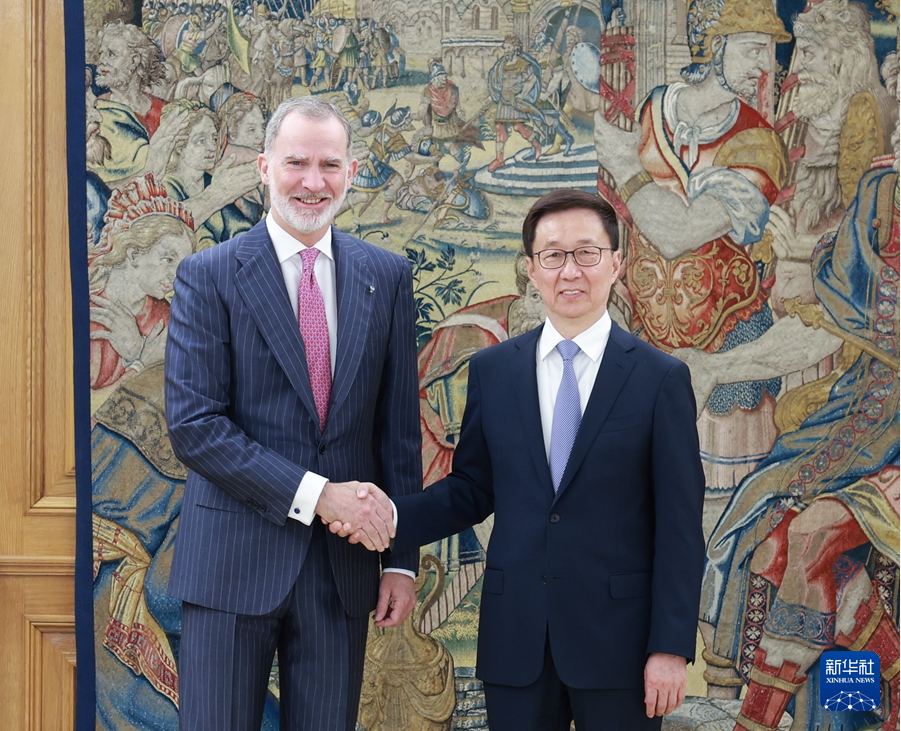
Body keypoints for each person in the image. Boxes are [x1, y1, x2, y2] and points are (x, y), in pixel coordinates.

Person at [334, 189, 706, 731]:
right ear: (532, 269)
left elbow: (680, 528)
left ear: (616, 263)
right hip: (517, 639)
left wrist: (670, 647)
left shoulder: (660, 378)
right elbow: (472, 489)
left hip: (620, 645)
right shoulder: (494, 370)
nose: (569, 270)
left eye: (587, 253)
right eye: (553, 255)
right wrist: (389, 518)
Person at [164, 96, 421, 731]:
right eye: (296, 162)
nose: (313, 181)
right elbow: (196, 426)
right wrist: (319, 496)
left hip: (341, 574)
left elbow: (398, 433)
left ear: (351, 173)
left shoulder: (387, 276)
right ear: (264, 167)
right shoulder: (208, 275)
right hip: (230, 565)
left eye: (329, 165)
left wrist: (400, 559)